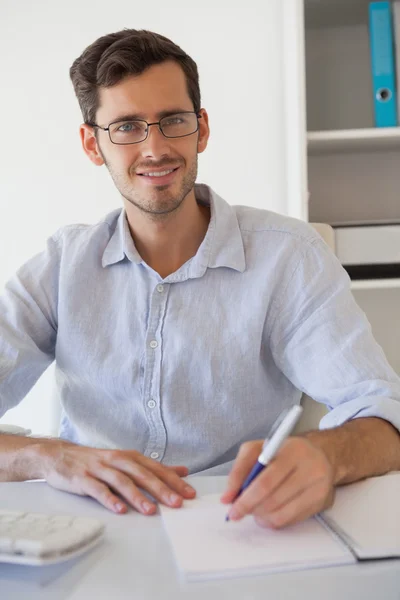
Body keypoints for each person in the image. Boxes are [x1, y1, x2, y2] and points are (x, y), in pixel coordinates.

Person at [1, 29, 400, 531]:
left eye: (173, 121)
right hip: (92, 531)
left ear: (202, 129)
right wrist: (48, 457)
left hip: (237, 524)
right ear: (91, 144)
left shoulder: (289, 257)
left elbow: (385, 414)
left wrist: (327, 454)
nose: (155, 148)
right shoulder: (62, 266)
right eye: (126, 126)